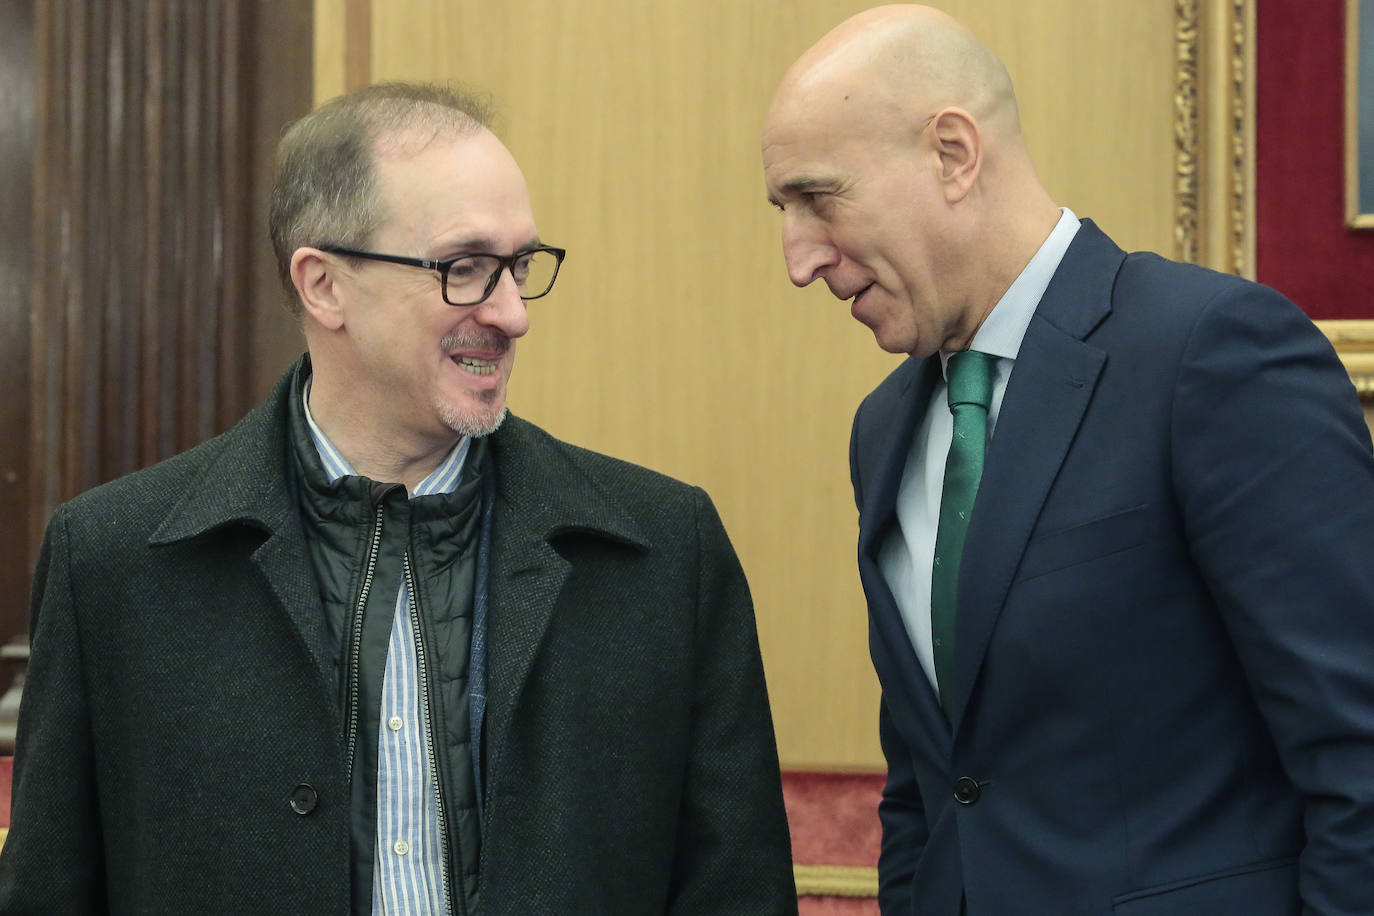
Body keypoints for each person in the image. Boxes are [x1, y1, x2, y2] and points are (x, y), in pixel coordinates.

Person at [0, 81, 797, 915]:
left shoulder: (665, 554)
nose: (513, 313)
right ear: (324, 286)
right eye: (466, 269)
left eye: (521, 266)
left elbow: (736, 891)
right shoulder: (113, 565)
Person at [763, 6, 1374, 915]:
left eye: (820, 198)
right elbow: (931, 780)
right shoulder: (883, 429)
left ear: (953, 154)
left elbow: (1357, 756)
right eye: (784, 212)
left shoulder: (1213, 355)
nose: (799, 259)